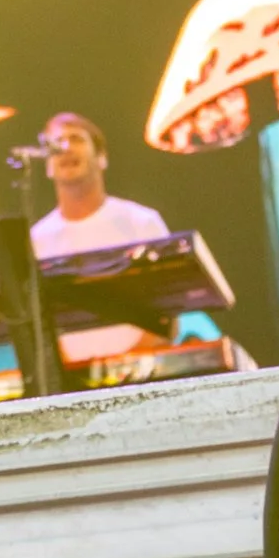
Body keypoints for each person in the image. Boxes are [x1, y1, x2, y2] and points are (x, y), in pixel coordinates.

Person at [30, 111, 174, 368]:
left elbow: (170, 310)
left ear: (102, 158)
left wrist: (127, 366)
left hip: (142, 376)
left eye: (76, 139)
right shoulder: (36, 239)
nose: (65, 148)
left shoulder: (141, 222)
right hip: (71, 385)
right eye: (56, 142)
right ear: (48, 167)